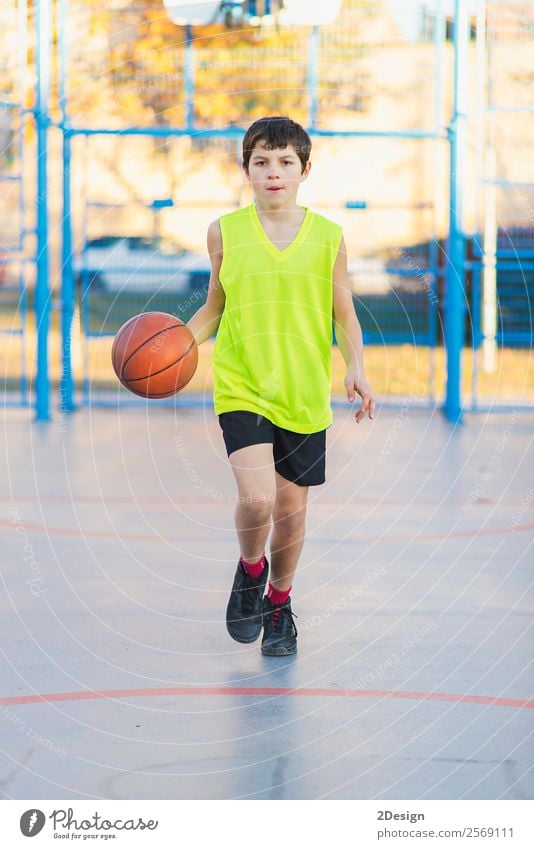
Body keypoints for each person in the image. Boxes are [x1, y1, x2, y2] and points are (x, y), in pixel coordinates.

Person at [187, 115, 375, 656]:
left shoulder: (329, 237)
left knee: (291, 514)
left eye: (285, 163)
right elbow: (213, 310)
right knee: (257, 499)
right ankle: (250, 569)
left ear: (304, 170)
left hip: (304, 391)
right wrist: (176, 344)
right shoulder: (224, 231)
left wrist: (356, 366)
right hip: (243, 384)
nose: (273, 173)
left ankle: (279, 602)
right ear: (245, 168)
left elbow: (344, 315)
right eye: (261, 162)